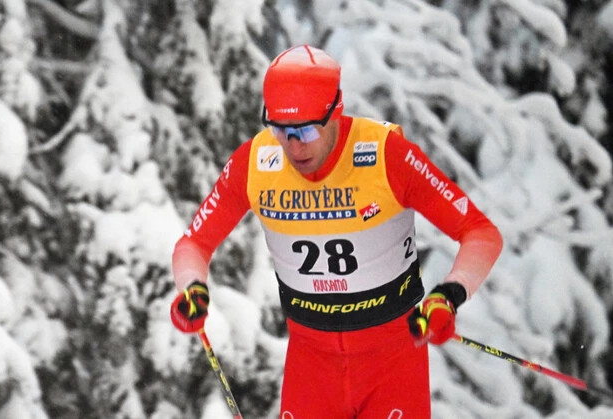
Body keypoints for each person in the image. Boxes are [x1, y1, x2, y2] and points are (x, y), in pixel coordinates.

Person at [169, 45, 503, 418]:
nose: (294, 146)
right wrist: (192, 287)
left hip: (392, 362)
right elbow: (194, 243)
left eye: (307, 130)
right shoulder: (254, 164)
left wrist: (449, 294)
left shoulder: (386, 155)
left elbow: (480, 233)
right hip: (312, 367)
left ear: (336, 111)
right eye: (281, 130)